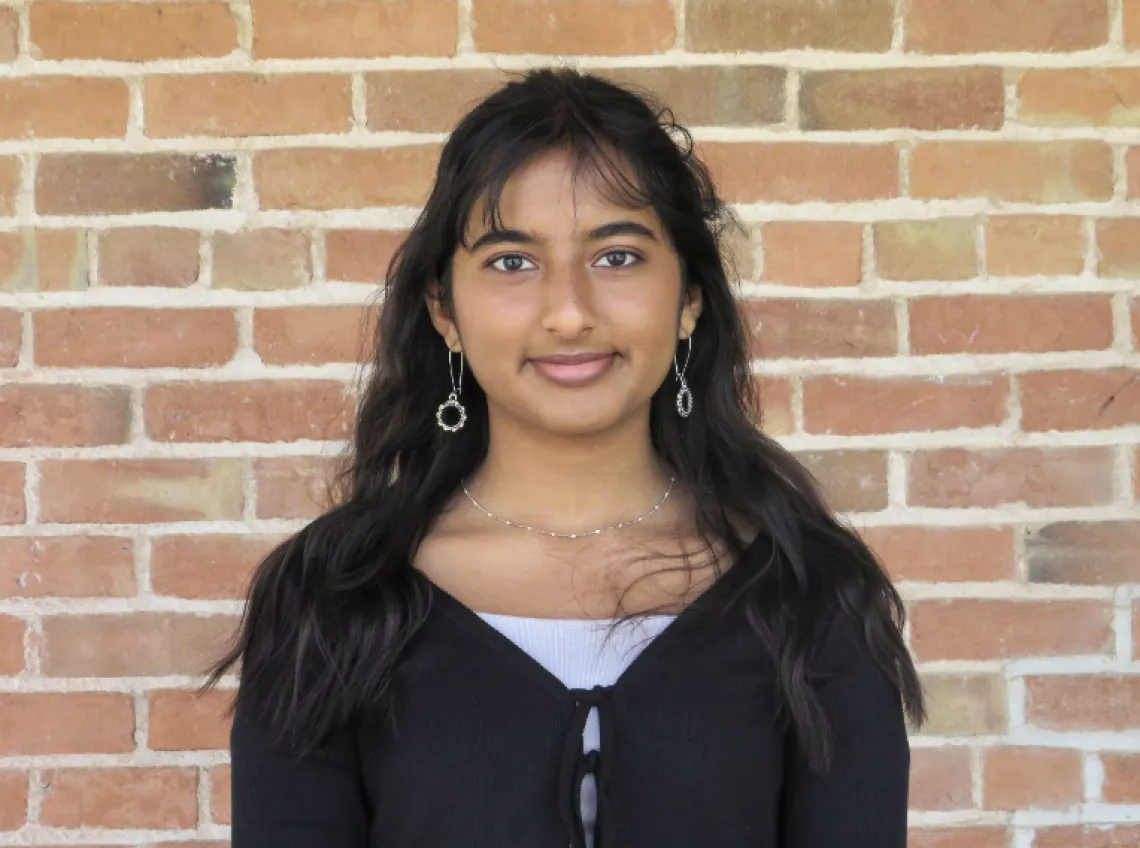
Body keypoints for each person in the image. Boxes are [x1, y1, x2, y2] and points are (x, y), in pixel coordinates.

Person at [203, 66, 925, 847]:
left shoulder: (811, 594)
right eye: (513, 261)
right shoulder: (333, 597)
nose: (570, 312)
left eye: (617, 256)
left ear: (690, 300)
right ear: (444, 310)